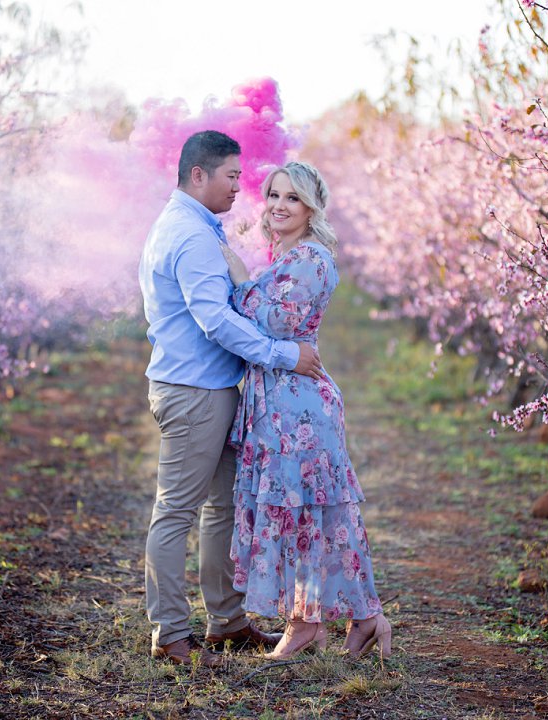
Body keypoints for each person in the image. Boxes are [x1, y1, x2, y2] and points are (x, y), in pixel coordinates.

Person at [138, 131, 324, 667]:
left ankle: (227, 622)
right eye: (231, 176)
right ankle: (171, 635)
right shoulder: (191, 236)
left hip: (211, 388)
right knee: (176, 511)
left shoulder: (189, 226)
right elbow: (214, 319)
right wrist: (282, 354)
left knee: (222, 508)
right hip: (195, 392)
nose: (241, 187)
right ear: (199, 174)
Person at [218, 161, 392, 661]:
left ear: (311, 207)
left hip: (299, 408)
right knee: (305, 517)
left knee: (309, 515)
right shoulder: (285, 256)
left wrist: (237, 279)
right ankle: (347, 620)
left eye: (292, 198)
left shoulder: (312, 259)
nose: (278, 205)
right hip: (277, 405)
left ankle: (324, 622)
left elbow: (275, 321)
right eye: (273, 194)